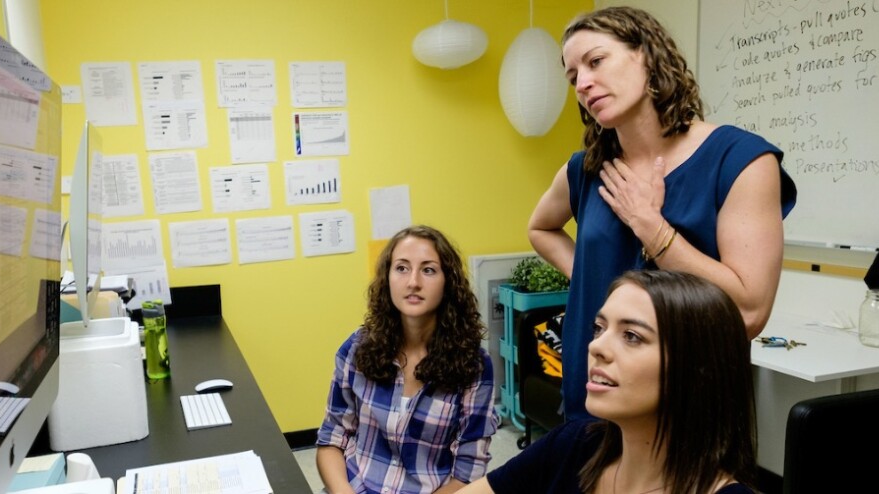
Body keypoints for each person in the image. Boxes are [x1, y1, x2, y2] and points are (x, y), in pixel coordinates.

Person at [526, 6, 797, 420]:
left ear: (648, 55)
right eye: (572, 75)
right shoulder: (587, 169)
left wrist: (652, 229)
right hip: (593, 396)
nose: (583, 83)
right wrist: (592, 279)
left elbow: (748, 313)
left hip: (690, 404)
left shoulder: (740, 160)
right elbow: (540, 228)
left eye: (596, 61)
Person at [458, 270, 758, 494]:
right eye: (599, 328)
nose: (596, 347)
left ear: (696, 368)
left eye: (632, 336)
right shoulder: (573, 445)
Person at [316, 225, 499, 494]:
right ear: (387, 277)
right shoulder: (356, 348)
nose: (413, 282)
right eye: (402, 268)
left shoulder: (474, 366)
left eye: (428, 270)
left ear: (448, 282)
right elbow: (332, 439)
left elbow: (467, 474)